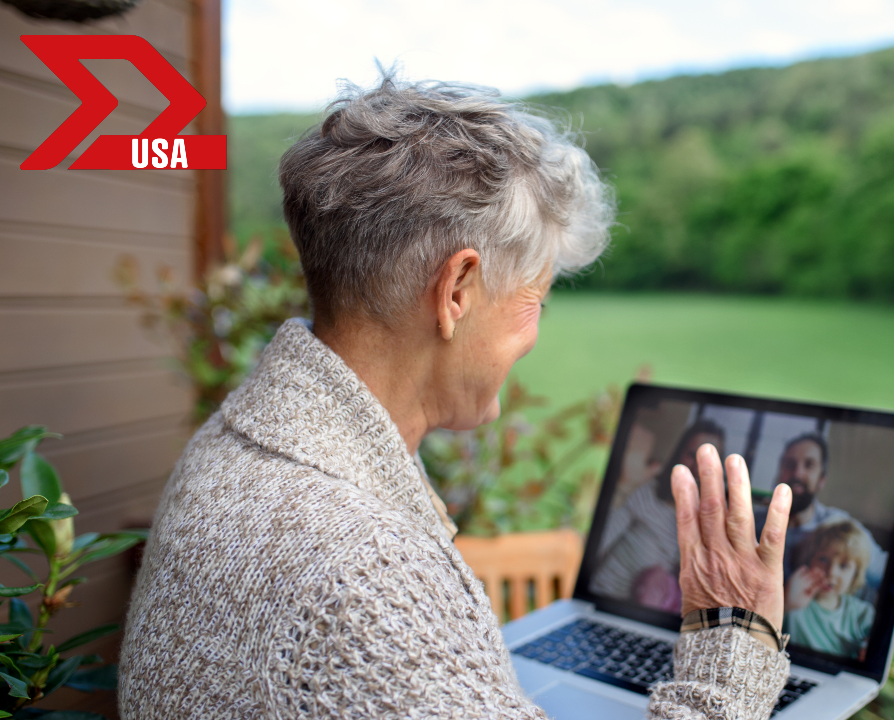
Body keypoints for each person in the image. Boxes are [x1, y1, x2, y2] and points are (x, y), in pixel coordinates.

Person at [118, 78, 795, 719]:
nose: (535, 335)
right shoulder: (361, 577)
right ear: (458, 292)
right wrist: (729, 647)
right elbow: (365, 623)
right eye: (535, 300)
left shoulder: (238, 442)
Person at [589, 418, 726, 611]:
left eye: (707, 462)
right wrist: (623, 488)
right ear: (678, 455)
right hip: (606, 602)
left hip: (651, 620)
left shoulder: (709, 525)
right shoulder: (647, 493)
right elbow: (598, 543)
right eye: (691, 455)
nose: (697, 467)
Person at [756, 433, 887, 590]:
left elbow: (884, 572)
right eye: (790, 464)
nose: (797, 473)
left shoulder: (840, 526)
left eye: (809, 465)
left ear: (822, 479)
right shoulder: (753, 522)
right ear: (779, 473)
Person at [783, 520, 876, 659]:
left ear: (855, 575)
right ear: (809, 560)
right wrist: (786, 603)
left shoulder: (863, 614)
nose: (831, 572)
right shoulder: (792, 599)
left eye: (844, 566)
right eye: (823, 559)